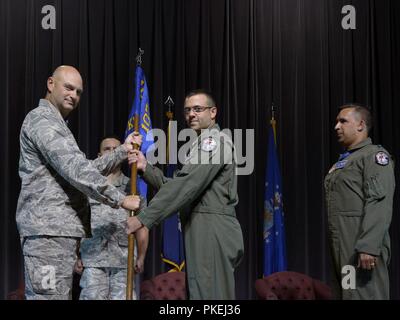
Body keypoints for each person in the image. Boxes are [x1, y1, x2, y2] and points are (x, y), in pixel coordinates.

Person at [16, 65, 140, 300]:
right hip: (47, 237)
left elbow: (82, 167)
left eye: (79, 92)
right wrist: (121, 199)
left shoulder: (57, 124)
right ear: (51, 84)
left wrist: (122, 151)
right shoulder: (42, 121)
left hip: (56, 234)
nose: (73, 95)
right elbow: (76, 169)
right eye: (69, 87)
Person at [126, 89, 244, 300]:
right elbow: (182, 187)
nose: (191, 114)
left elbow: (186, 185)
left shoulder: (214, 143)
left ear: (213, 112)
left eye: (198, 109)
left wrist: (144, 218)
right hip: (201, 225)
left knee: (212, 297)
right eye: (188, 110)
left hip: (212, 227)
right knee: (201, 293)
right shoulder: (200, 144)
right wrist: (146, 168)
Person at [324, 104, 395, 299]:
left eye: (343, 121)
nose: (336, 126)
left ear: (360, 125)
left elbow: (379, 202)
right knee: (348, 294)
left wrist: (369, 246)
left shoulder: (374, 156)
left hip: (361, 246)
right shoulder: (345, 161)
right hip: (343, 247)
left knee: (366, 295)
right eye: (337, 121)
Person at [77, 135, 149, 300]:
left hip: (123, 259)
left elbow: (142, 225)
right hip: (93, 257)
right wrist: (76, 255)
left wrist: (142, 256)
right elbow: (77, 222)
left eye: (116, 149)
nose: (112, 152)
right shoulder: (88, 188)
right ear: (99, 155)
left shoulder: (132, 188)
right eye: (107, 149)